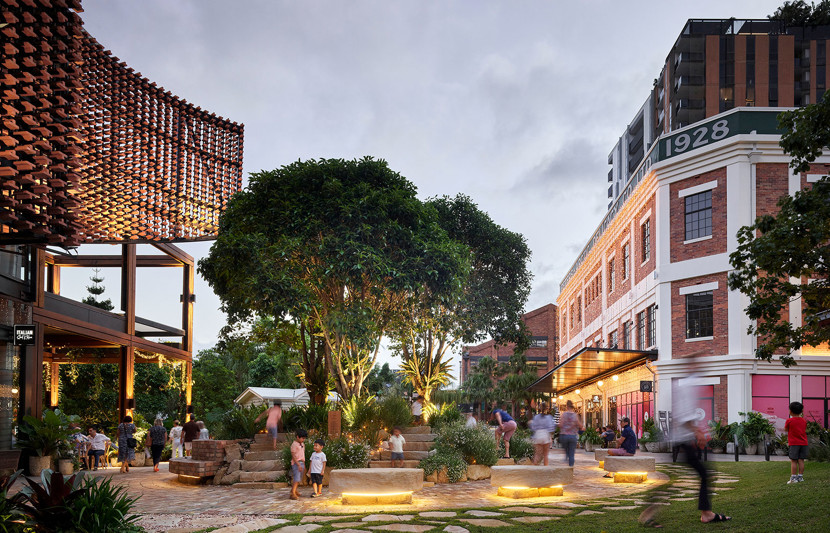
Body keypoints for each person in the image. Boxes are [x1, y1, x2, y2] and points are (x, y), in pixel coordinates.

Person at [642, 367, 730, 526]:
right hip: (684, 442)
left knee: (695, 476)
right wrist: (698, 432)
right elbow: (684, 417)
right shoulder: (687, 386)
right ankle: (706, 514)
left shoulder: (684, 385)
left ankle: (705, 513)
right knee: (699, 475)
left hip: (684, 441)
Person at [785, 401, 808, 484]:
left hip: (794, 443)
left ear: (790, 411)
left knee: (793, 461)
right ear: (801, 412)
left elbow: (786, 429)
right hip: (804, 443)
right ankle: (800, 477)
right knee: (801, 460)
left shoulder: (789, 421)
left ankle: (793, 478)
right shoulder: (804, 421)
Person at [558, 400, 583, 467]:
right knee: (572, 452)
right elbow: (580, 425)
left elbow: (560, 424)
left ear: (567, 406)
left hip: (564, 435)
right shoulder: (575, 415)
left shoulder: (564, 414)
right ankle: (571, 466)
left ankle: (566, 455)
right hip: (572, 436)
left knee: (566, 449)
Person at [290, 429, 307, 500]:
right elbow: (293, 456)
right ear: (297, 437)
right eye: (302, 438)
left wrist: (304, 464)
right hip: (296, 463)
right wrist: (298, 465)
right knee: (296, 478)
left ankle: (294, 490)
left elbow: (303, 454)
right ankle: (292, 494)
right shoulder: (294, 445)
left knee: (299, 478)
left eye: (304, 438)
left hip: (301, 462)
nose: (303, 439)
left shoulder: (302, 444)